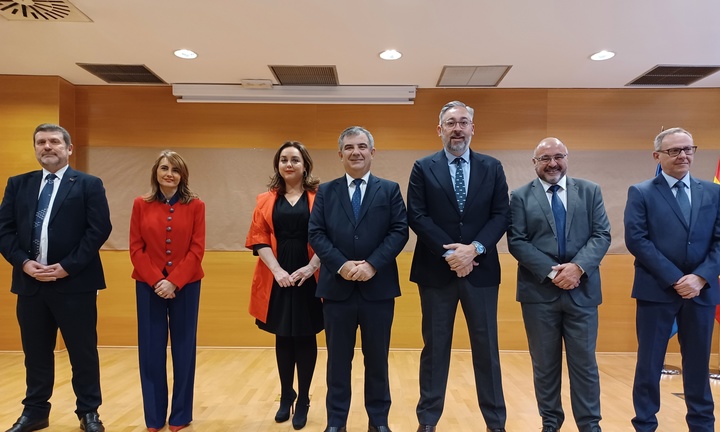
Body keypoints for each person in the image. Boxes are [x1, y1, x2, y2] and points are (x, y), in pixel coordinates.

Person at [0, 123, 111, 432]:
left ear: (68, 149)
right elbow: (4, 230)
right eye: (41, 142)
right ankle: (35, 411)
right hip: (30, 284)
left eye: (54, 142)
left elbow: (99, 229)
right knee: (35, 353)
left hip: (75, 284)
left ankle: (88, 412)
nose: (47, 146)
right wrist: (23, 263)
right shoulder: (18, 184)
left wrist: (67, 266)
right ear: (35, 148)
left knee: (82, 351)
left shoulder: (88, 184)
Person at [407, 101, 509, 432]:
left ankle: (496, 423)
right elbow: (417, 216)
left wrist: (474, 249)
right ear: (439, 129)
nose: (457, 129)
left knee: (487, 350)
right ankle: (428, 421)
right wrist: (451, 254)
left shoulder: (492, 167)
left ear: (472, 128)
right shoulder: (423, 168)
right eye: (451, 123)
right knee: (435, 348)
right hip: (437, 272)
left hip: (481, 271)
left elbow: (501, 215)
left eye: (464, 122)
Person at [507, 137, 610, 432]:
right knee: (545, 366)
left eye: (558, 156)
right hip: (539, 294)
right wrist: (554, 273)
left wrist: (577, 268)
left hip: (583, 291)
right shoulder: (520, 196)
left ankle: (590, 425)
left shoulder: (590, 191)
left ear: (567, 157)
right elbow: (517, 241)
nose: (553, 163)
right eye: (545, 158)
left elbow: (601, 235)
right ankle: (550, 423)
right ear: (534, 163)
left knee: (585, 366)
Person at [308, 126, 408, 432]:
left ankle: (378, 422)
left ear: (372, 153)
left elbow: (399, 230)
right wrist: (341, 265)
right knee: (338, 362)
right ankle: (336, 422)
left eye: (362, 146)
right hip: (337, 290)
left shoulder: (389, 189)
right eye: (349, 147)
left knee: (377, 362)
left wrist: (372, 265)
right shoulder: (326, 191)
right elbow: (316, 232)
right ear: (340, 154)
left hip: (378, 290)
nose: (356, 152)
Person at [625, 127, 720, 432]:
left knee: (697, 364)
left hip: (701, 293)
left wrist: (700, 278)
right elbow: (637, 240)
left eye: (688, 149)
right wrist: (677, 278)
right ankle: (644, 424)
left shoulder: (714, 192)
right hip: (657, 291)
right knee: (649, 365)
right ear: (657, 156)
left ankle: (702, 425)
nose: (683, 155)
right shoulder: (641, 192)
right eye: (674, 150)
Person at [245, 141, 324, 430]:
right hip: (276, 275)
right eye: (283, 160)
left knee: (304, 335)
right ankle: (286, 394)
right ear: (277, 166)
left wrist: (312, 266)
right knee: (283, 336)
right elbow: (258, 237)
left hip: (310, 274)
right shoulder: (265, 199)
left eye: (295, 159)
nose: (289, 164)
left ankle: (303, 399)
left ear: (305, 165)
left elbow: (329, 236)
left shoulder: (321, 197)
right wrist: (277, 271)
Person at [129, 150, 205, 432]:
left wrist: (174, 280)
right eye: (164, 168)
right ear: (156, 173)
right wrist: (155, 280)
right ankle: (153, 417)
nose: (169, 173)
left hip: (186, 285)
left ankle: (181, 415)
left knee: (184, 350)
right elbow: (136, 248)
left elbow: (197, 249)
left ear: (182, 175)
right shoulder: (141, 204)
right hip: (148, 287)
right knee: (150, 351)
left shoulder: (196, 205)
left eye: (175, 169)